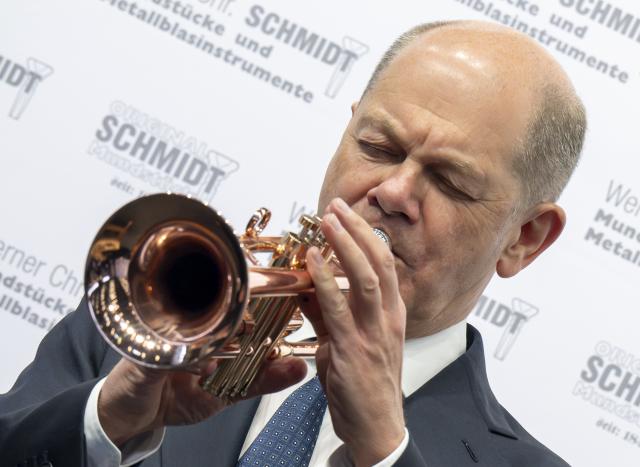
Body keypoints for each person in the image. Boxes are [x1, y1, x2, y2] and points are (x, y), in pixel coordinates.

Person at [0, 19, 586, 467]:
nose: (392, 191)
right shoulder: (153, 317)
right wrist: (108, 419)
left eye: (451, 182)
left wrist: (383, 449)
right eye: (377, 147)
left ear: (525, 239)